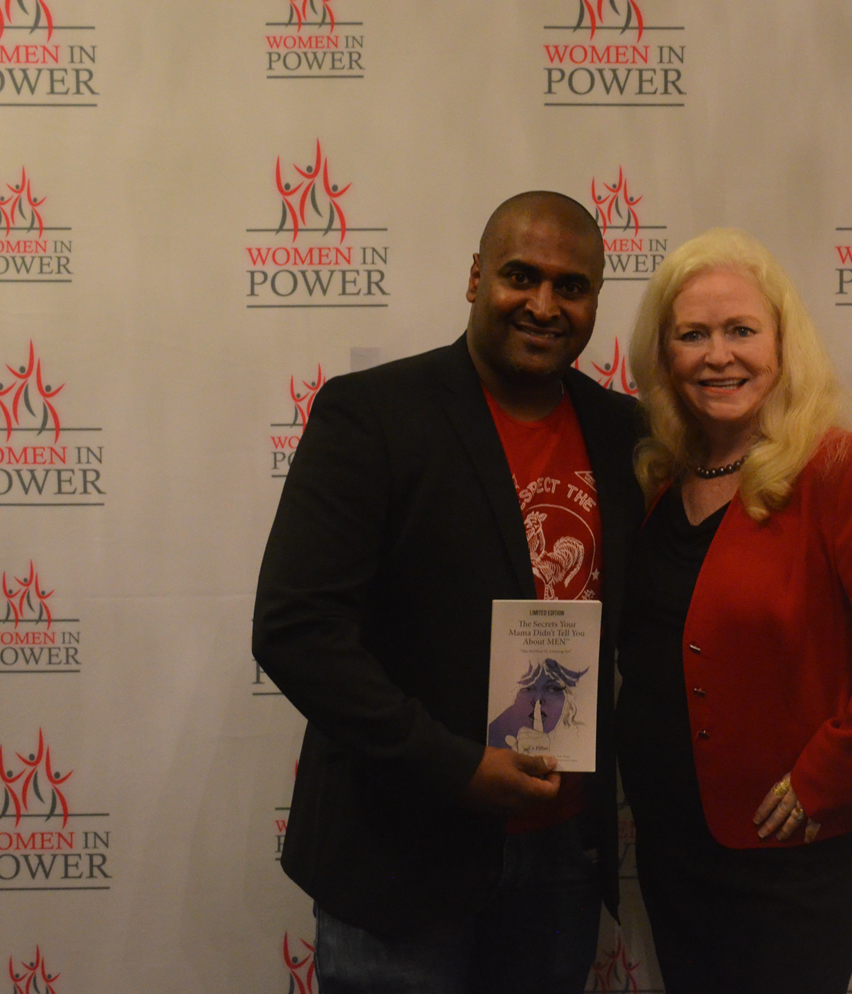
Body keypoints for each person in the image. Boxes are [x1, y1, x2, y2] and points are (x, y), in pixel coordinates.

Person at [253, 191, 645, 994]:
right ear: (475, 278)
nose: (544, 305)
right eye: (520, 276)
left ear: (596, 301)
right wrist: (457, 768)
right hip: (399, 851)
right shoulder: (373, 415)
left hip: (561, 855)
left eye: (571, 287)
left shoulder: (626, 433)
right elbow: (297, 631)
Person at [614, 229, 852, 994]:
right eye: (692, 335)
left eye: (741, 330)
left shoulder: (844, 475)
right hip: (670, 839)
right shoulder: (661, 481)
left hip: (788, 854)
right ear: (663, 355)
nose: (718, 355)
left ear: (784, 345)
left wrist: (829, 777)